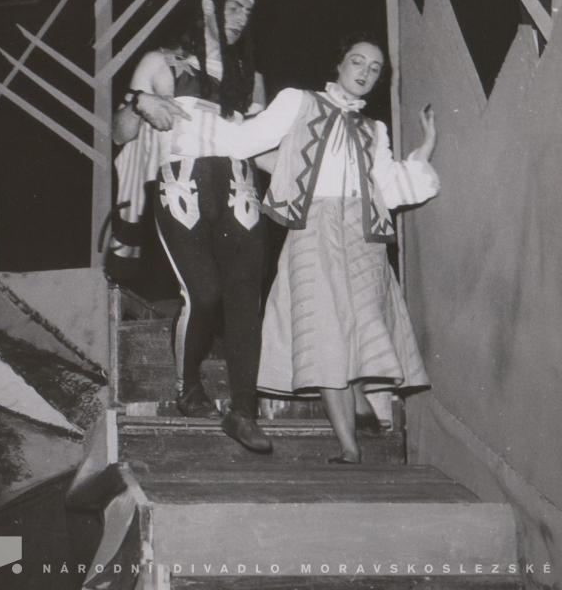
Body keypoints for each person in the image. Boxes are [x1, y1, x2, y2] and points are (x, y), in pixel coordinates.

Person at [170, 34, 439, 464]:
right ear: (339, 63)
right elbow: (247, 141)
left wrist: (425, 148)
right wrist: (187, 121)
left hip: (363, 235)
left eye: (374, 69)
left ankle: (358, 398)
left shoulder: (375, 129)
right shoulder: (298, 102)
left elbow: (387, 188)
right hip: (314, 228)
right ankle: (349, 446)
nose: (365, 73)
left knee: (362, 323)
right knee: (323, 331)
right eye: (358, 61)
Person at [111, 0, 273, 454]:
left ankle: (244, 410)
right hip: (182, 185)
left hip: (239, 187)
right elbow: (120, 134)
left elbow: (264, 151)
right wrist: (139, 102)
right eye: (233, 6)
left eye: (248, 10)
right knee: (204, 294)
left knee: (245, 296)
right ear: (207, 6)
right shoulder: (161, 62)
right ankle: (188, 388)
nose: (241, 17)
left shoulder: (250, 78)